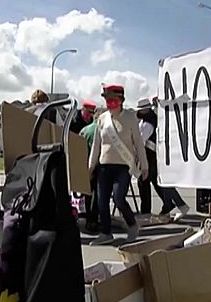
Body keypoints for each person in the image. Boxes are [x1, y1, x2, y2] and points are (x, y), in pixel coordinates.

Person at [88, 84, 148, 245]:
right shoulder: (102, 118)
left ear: (121, 100)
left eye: (113, 99)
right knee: (101, 202)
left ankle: (132, 225)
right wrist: (90, 166)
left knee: (119, 198)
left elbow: (139, 144)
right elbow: (96, 145)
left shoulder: (130, 117)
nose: (109, 102)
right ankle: (106, 233)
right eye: (107, 99)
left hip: (123, 167)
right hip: (104, 166)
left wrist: (144, 165)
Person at [135, 97, 190, 222]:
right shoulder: (152, 119)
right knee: (159, 182)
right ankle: (170, 205)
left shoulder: (148, 122)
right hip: (154, 155)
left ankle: (176, 205)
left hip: (150, 156)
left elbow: (141, 140)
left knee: (154, 183)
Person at [79, 109, 101, 233]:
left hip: (85, 165)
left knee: (88, 193)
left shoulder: (84, 130)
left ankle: (88, 219)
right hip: (100, 165)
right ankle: (94, 220)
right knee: (98, 195)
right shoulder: (103, 131)